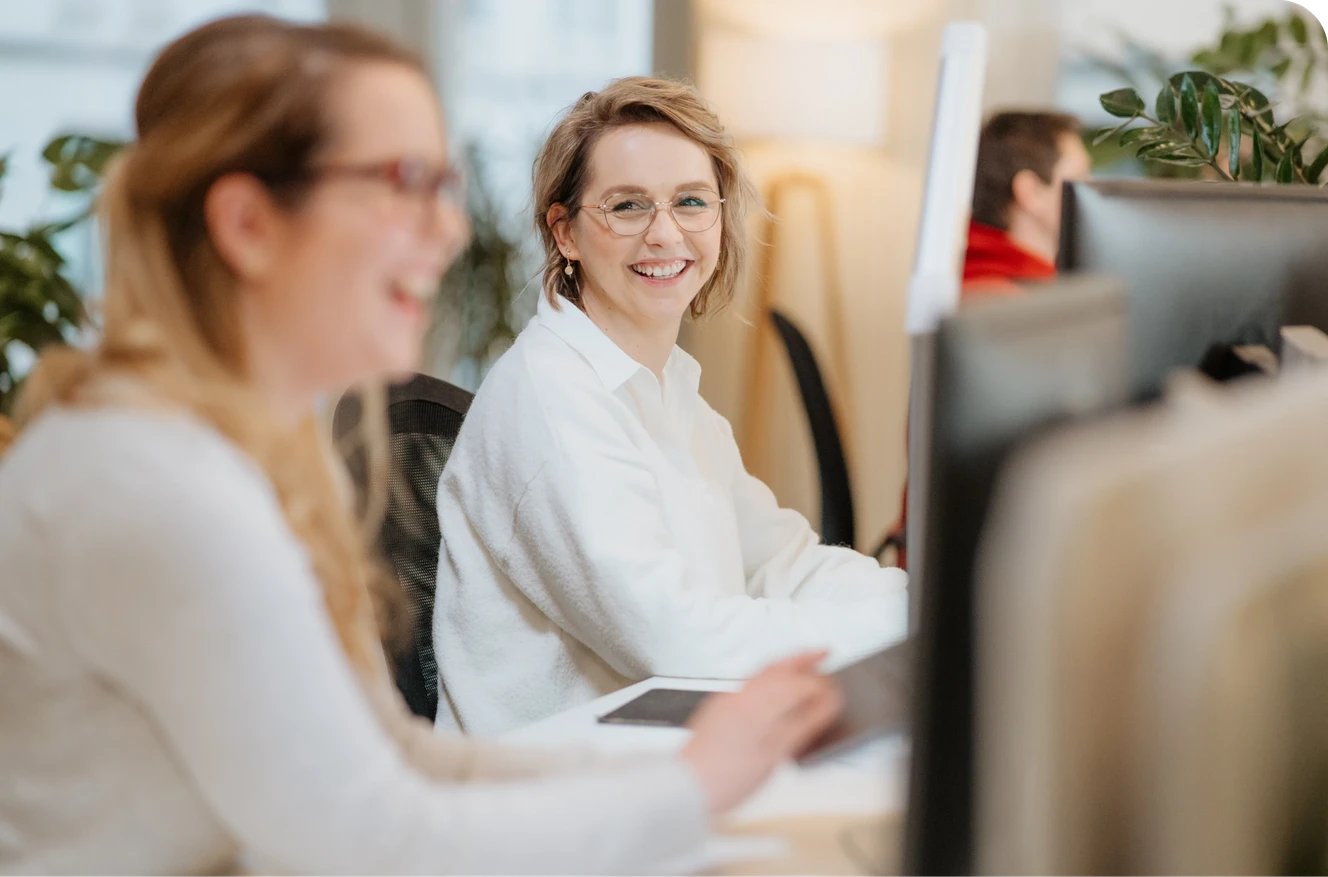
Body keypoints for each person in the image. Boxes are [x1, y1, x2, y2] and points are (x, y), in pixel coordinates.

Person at [0, 17, 845, 876]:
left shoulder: (244, 455)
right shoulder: (155, 484)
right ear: (249, 224)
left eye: (442, 184)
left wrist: (682, 781)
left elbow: (390, 757)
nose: (447, 230)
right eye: (401, 181)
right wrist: (689, 790)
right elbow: (370, 834)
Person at [431, 77, 909, 736]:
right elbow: (680, 639)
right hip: (545, 797)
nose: (666, 234)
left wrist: (918, 603)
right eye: (628, 206)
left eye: (691, 201)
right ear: (565, 232)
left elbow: (780, 562)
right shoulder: (550, 398)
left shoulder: (666, 390)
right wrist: (895, 629)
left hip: (651, 760)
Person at [963, 110, 1091, 297]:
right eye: (1080, 179)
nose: (1092, 194)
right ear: (1031, 192)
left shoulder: (966, 267)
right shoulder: (1006, 297)